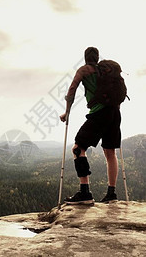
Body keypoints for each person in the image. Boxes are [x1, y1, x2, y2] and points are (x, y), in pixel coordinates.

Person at [59, 46, 122, 204]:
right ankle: (111, 194)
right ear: (98, 57)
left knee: (78, 148)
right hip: (114, 113)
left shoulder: (84, 70)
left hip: (99, 113)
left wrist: (67, 112)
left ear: (86, 57)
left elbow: (72, 89)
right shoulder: (106, 71)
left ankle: (85, 193)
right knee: (110, 152)